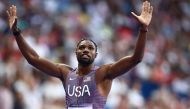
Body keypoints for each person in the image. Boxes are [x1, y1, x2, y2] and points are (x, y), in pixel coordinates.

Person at [7, 1, 153, 109]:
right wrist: (17, 33)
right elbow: (33, 59)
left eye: (90, 48)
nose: (86, 50)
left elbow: (136, 58)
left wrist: (143, 29)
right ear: (75, 52)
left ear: (96, 55)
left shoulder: (103, 73)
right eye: (82, 47)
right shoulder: (65, 73)